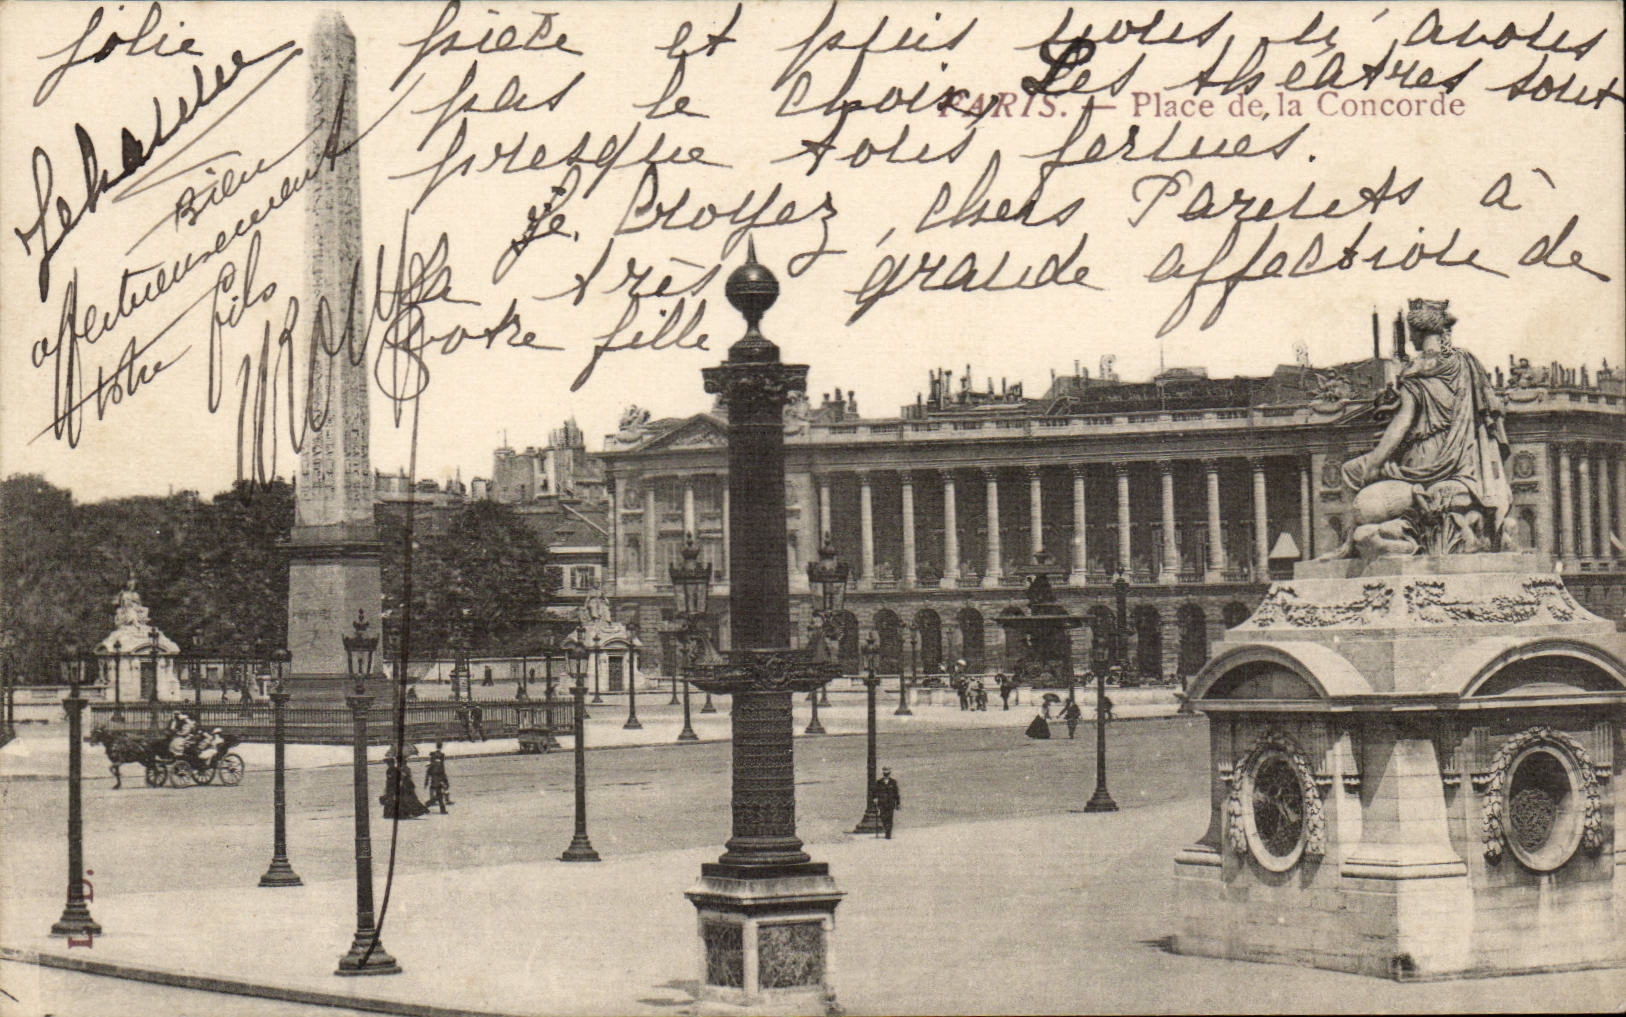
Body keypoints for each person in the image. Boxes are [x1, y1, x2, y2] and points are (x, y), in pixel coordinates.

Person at [1326, 298, 1512, 559]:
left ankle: (1348, 545)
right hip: (1461, 457)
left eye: (1411, 331)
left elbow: (1402, 423)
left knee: (1350, 470)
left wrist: (1375, 461)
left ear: (1418, 331)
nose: (1410, 338)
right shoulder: (1464, 361)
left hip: (1423, 458)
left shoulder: (1417, 369)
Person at [871, 767, 901, 839]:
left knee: (890, 818)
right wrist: (875, 798)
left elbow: (896, 793)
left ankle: (888, 833)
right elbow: (875, 791)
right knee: (883, 816)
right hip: (882, 803)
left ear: (889, 774)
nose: (886, 775)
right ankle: (886, 828)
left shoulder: (893, 782)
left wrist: (898, 803)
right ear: (883, 774)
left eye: (887, 773)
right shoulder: (879, 782)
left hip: (890, 803)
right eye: (885, 773)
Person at [425, 741, 452, 813]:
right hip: (439, 780)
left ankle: (430, 804)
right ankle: (430, 804)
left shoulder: (432, 763)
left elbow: (428, 773)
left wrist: (426, 782)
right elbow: (441, 770)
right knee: (441, 793)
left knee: (439, 794)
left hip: (436, 780)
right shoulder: (440, 760)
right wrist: (443, 778)